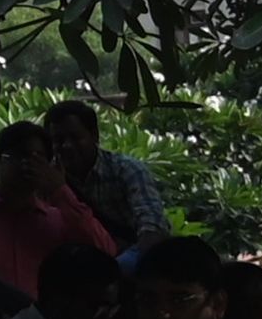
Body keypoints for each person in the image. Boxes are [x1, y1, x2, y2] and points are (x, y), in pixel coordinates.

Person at [0, 121, 116, 302]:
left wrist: (60, 190)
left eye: (39, 158)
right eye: (19, 156)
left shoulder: (58, 220)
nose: (28, 165)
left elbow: (105, 253)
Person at [45, 100, 172, 254]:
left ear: (94, 135)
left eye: (75, 137)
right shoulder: (47, 181)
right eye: (58, 140)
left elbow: (152, 222)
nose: (67, 146)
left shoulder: (126, 170)